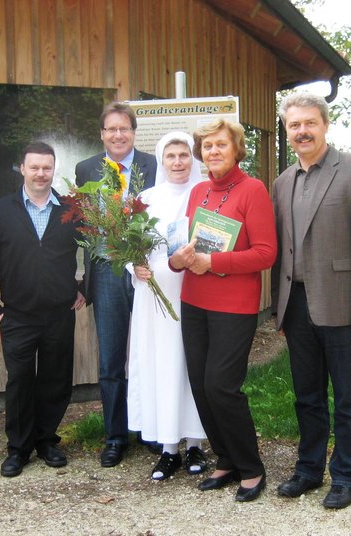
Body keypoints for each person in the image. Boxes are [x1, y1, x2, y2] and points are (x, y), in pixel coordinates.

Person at [272, 92, 351, 509]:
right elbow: (281, 249)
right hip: (297, 303)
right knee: (307, 395)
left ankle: (345, 475)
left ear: (324, 124)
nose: (302, 131)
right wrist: (278, 305)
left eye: (309, 123)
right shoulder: (283, 181)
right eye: (294, 125)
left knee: (348, 395)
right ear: (288, 131)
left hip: (342, 304)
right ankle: (308, 469)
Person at [169, 119, 277, 502]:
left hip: (234, 305)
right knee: (200, 383)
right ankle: (227, 458)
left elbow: (266, 253)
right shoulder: (198, 190)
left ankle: (251, 467)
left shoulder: (253, 190)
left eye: (220, 145)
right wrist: (178, 260)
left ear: (236, 149)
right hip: (194, 300)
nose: (213, 151)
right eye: (207, 146)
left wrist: (212, 262)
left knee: (221, 385)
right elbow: (181, 247)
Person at [0, 141, 86, 478]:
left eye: (47, 168)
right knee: (20, 382)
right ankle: (18, 449)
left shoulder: (71, 210)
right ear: (22, 169)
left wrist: (85, 289)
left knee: (55, 379)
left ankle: (47, 441)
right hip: (18, 316)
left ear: (54, 170)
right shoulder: (2, 211)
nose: (41, 173)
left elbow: (97, 248)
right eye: (34, 167)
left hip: (58, 313)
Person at [75, 102, 157, 467]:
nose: (118, 135)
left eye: (124, 128)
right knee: (111, 358)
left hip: (145, 269)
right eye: (111, 129)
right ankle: (115, 436)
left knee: (150, 353)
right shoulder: (85, 169)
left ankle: (153, 429)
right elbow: (80, 226)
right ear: (102, 134)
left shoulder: (153, 165)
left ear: (134, 132)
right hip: (107, 270)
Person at [127, 131, 208, 481]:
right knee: (162, 364)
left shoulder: (204, 194)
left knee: (191, 364)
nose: (178, 162)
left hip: (193, 288)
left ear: (193, 159)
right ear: (162, 160)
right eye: (171, 156)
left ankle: (195, 444)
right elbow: (130, 245)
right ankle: (168, 448)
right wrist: (135, 267)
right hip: (155, 291)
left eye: (184, 155)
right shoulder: (146, 198)